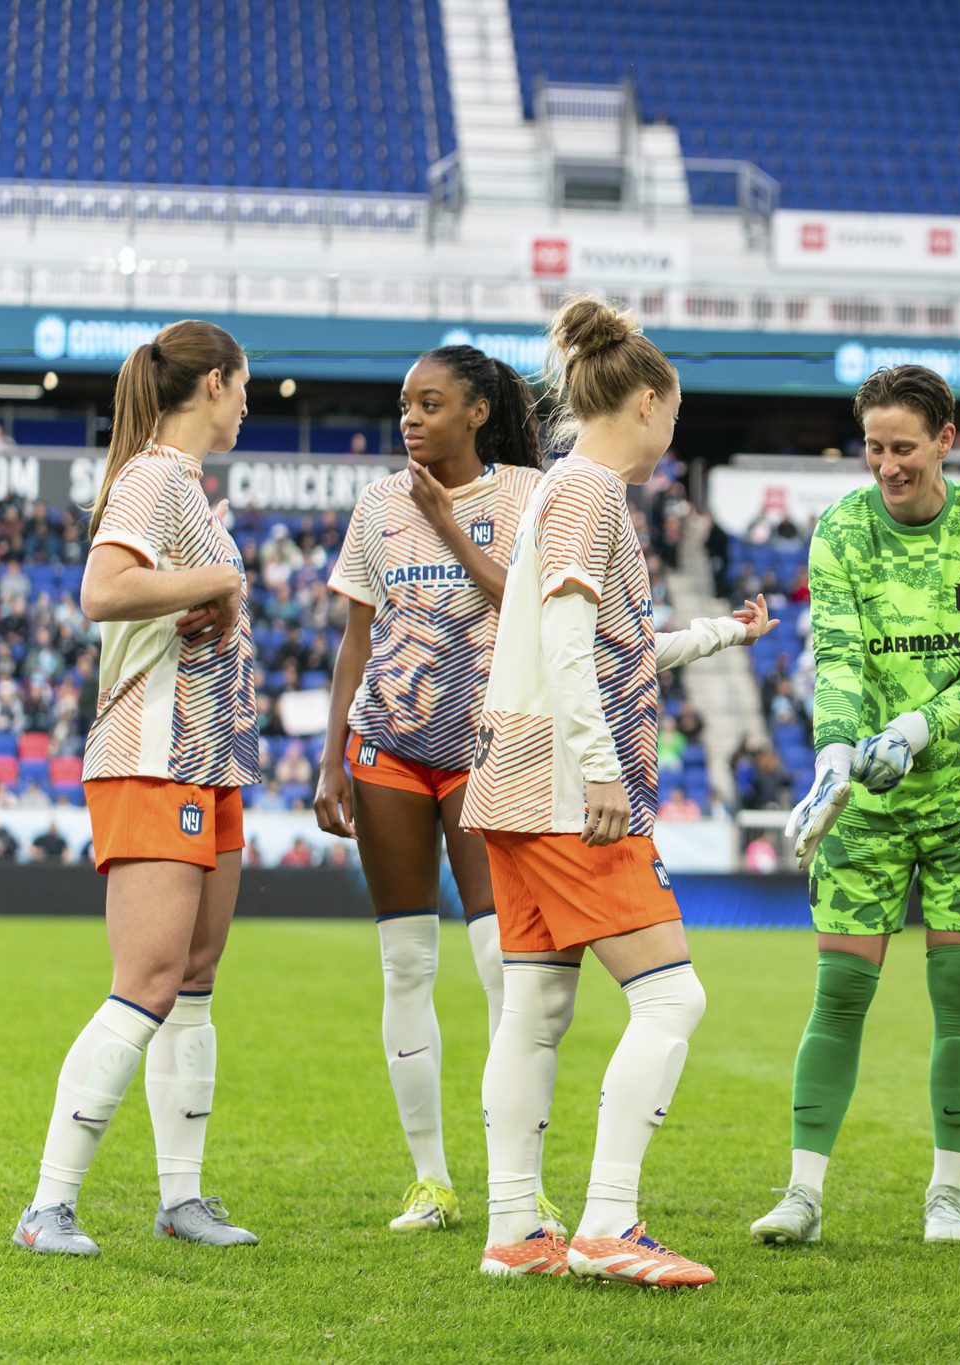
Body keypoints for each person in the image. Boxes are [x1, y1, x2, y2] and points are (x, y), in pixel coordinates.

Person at [463, 298, 775, 1287]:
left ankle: (516, 1229)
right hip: (566, 785)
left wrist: (722, 632)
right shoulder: (590, 495)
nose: (672, 433)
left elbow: (616, 648)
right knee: (672, 998)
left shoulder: (565, 493)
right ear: (647, 402)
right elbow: (565, 640)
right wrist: (600, 766)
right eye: (672, 413)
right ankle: (606, 1224)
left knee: (536, 1006)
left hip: (512, 779)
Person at [754, 365, 960, 1248]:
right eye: (874, 447)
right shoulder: (838, 529)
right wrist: (834, 754)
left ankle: (947, 1193)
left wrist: (918, 725)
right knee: (838, 994)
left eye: (903, 448)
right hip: (864, 802)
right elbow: (835, 654)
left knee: (958, 995)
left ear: (946, 440)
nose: (886, 466)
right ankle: (802, 1192)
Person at [15, 320, 261, 1256]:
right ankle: (48, 1206)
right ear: (213, 384)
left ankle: (182, 1200)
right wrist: (219, 578)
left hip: (207, 757)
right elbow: (102, 590)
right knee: (149, 980)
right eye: (243, 387)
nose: (245, 404)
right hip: (151, 754)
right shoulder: (154, 479)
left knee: (192, 984)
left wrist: (215, 588)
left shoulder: (185, 488)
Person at [313, 345, 546, 1233]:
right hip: (391, 749)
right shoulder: (375, 504)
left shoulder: (525, 495)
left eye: (430, 403)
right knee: (406, 961)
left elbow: (522, 605)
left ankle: (516, 1183)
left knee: (501, 965)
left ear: (477, 412)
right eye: (405, 403)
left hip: (486, 746)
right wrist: (334, 754)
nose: (410, 417)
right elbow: (356, 637)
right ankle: (432, 1181)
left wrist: (447, 523)